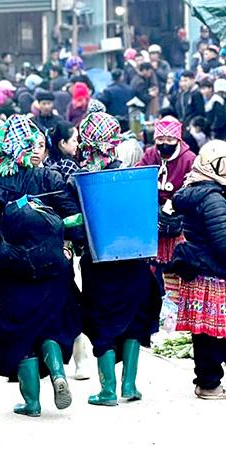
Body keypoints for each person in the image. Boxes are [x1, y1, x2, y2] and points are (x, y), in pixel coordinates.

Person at [0, 115, 83, 416]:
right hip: (54, 268)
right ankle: (57, 373)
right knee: (52, 323)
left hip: (13, 272)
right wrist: (69, 245)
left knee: (19, 332)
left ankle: (32, 402)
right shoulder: (50, 178)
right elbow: (75, 217)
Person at [74, 113, 160, 406]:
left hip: (99, 266)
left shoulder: (81, 180)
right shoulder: (130, 175)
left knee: (102, 323)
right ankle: (129, 386)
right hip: (134, 262)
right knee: (135, 320)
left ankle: (108, 390)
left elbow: (76, 225)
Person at [166, 140, 226, 399]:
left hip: (198, 269)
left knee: (204, 334)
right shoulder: (213, 198)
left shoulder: (196, 192)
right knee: (214, 335)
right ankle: (211, 384)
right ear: (218, 165)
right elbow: (222, 241)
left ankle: (205, 382)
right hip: (213, 270)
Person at [143, 116, 196, 207]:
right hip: (151, 205)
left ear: (178, 140)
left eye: (170, 140)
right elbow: (140, 176)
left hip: (179, 209)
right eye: (160, 139)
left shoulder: (189, 159)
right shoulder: (150, 154)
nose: (165, 143)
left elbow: (194, 189)